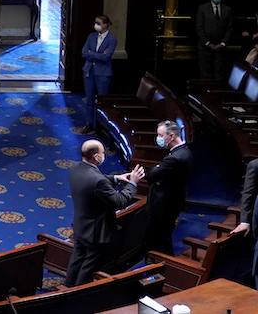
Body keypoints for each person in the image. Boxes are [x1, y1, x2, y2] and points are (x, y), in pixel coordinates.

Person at [65, 139, 143, 286]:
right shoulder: (98, 181)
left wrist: (116, 178)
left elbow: (93, 180)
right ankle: (78, 293)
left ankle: (67, 286)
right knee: (88, 266)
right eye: (102, 152)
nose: (104, 155)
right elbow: (120, 201)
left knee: (77, 258)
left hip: (80, 226)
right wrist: (133, 183)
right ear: (96, 156)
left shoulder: (76, 168)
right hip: (95, 232)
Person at [144, 120, 192, 255]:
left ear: (171, 136)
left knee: (160, 240)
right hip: (173, 201)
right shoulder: (184, 150)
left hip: (165, 205)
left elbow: (152, 174)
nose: (158, 138)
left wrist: (156, 169)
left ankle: (163, 262)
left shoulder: (175, 158)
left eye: (160, 135)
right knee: (163, 237)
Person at [78, 15, 117, 134]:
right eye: (96, 23)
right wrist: (97, 55)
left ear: (105, 25)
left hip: (103, 74)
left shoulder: (111, 39)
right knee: (89, 101)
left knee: (101, 102)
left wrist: (92, 53)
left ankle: (101, 127)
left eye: (99, 23)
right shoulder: (91, 36)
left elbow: (106, 57)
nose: (96, 25)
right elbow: (84, 53)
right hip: (89, 71)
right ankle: (89, 124)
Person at [195, 0, 232, 80]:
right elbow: (199, 28)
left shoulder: (227, 9)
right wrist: (207, 43)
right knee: (205, 74)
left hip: (220, 48)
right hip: (205, 48)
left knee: (219, 74)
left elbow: (229, 28)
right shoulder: (202, 8)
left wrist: (223, 43)